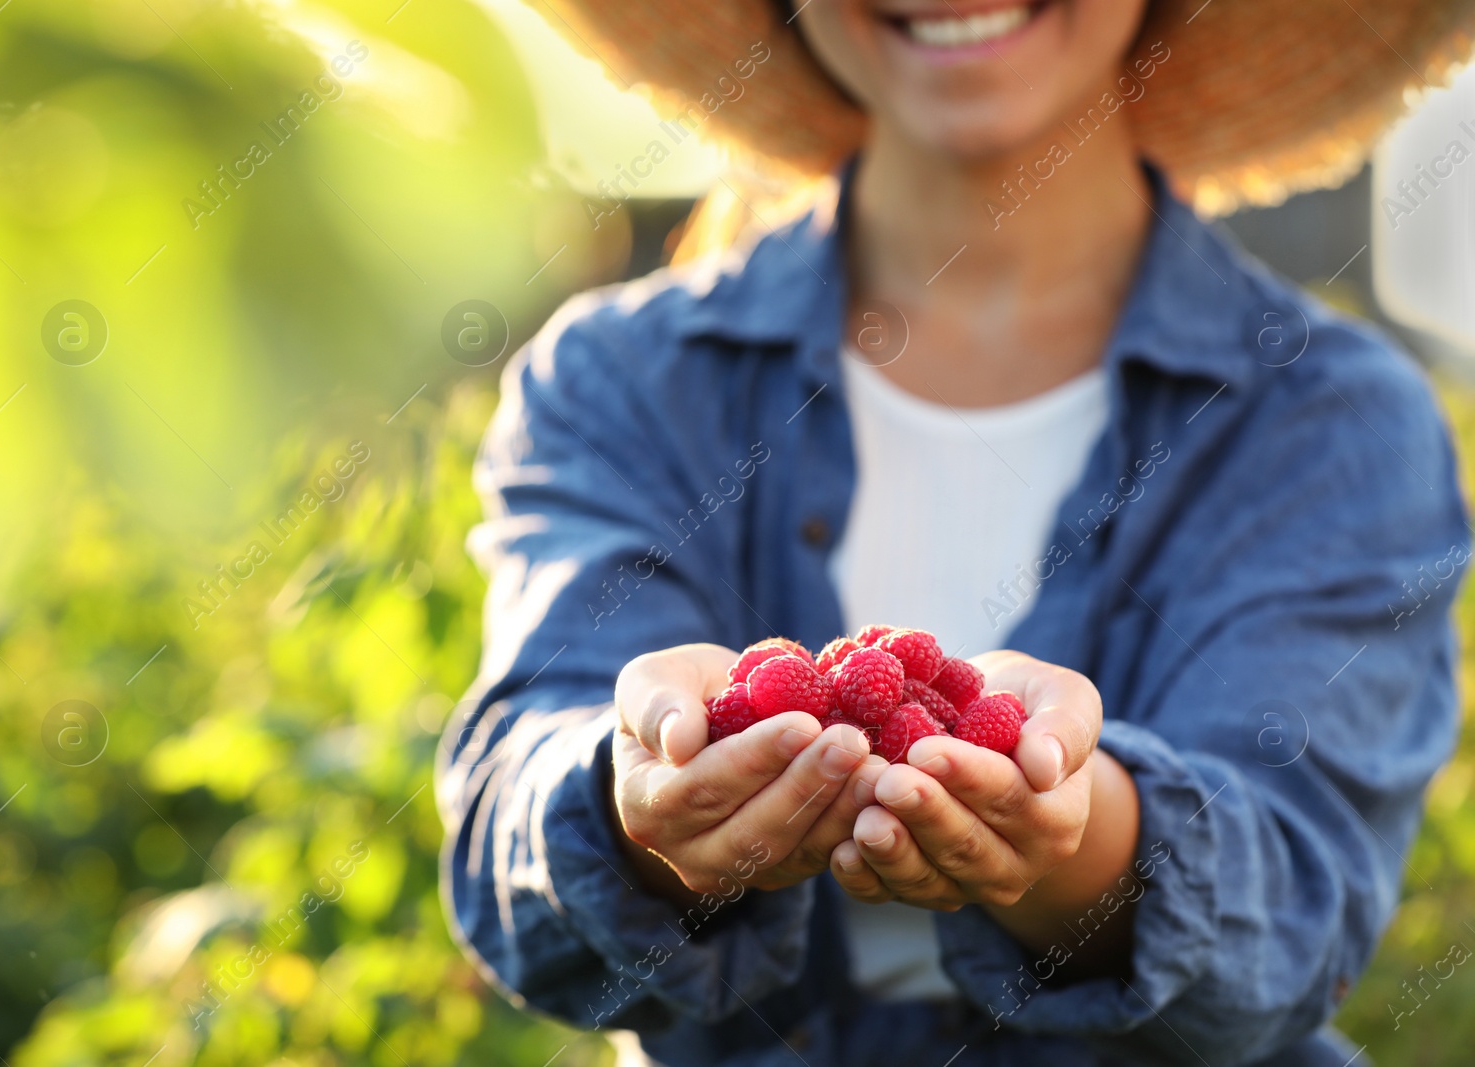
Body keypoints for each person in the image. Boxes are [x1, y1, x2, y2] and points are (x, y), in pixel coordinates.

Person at [438, 1, 1475, 1063]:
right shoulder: (617, 383)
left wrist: (1074, 832)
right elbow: (511, 845)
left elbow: (1296, 923)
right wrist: (639, 796)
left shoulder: (1330, 420)